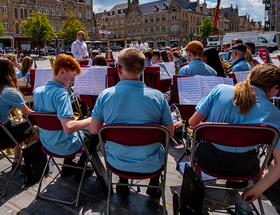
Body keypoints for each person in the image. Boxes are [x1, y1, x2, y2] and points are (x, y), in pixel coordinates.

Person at [188, 64, 280, 204]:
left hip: (207, 161)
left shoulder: (220, 89)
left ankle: (196, 184)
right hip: (246, 167)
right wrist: (256, 189)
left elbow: (193, 122)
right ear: (274, 87)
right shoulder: (275, 114)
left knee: (191, 140)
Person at [90, 48, 174, 198]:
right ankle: (154, 185)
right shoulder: (158, 97)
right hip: (152, 164)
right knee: (159, 143)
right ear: (144, 68)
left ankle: (123, 183)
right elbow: (170, 133)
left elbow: (94, 129)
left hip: (116, 163)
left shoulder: (105, 96)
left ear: (118, 69)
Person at [33, 54, 101, 181]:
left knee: (78, 125)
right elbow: (69, 128)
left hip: (47, 144)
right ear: (62, 71)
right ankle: (81, 168)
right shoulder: (61, 93)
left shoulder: (37, 91)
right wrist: (93, 119)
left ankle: (67, 166)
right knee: (95, 128)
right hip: (65, 147)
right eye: (73, 76)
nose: (73, 81)